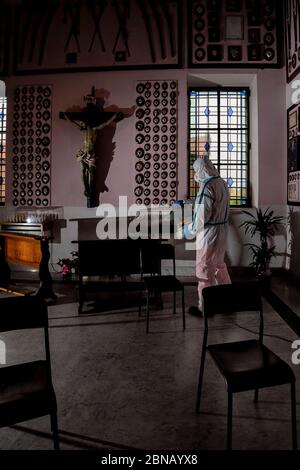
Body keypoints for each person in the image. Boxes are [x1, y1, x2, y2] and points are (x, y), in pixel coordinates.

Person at [183, 154, 231, 315]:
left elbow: (201, 219)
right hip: (222, 232)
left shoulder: (207, 187)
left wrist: (187, 231)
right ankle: (229, 302)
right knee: (219, 266)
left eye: (196, 170)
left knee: (204, 271)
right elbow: (211, 205)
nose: (195, 174)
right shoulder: (221, 183)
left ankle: (205, 308)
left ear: (202, 170)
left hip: (209, 234)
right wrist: (189, 203)